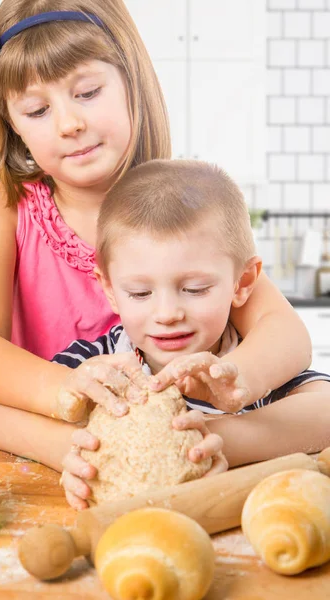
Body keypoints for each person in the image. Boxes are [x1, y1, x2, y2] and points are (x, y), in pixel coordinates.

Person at [0, 0, 313, 477]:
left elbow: (284, 332)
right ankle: (86, 452)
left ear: (131, 83)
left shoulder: (182, 205)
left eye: (88, 92)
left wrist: (238, 380)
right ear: (11, 123)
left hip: (186, 426)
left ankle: (210, 442)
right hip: (48, 426)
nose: (68, 123)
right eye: (38, 109)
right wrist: (67, 389)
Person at [53, 159, 330, 509]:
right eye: (140, 293)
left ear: (242, 283)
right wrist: (75, 454)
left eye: (196, 289)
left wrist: (210, 440)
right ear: (109, 289)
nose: (168, 314)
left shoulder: (250, 365)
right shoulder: (93, 365)